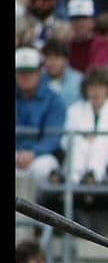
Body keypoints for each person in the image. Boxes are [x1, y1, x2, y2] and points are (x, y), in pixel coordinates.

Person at [15, 46, 67, 189]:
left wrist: (33, 152)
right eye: (21, 72)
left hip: (40, 155)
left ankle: (38, 210)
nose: (25, 76)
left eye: (30, 72)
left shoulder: (54, 100)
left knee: (45, 169)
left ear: (39, 73)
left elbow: (52, 137)